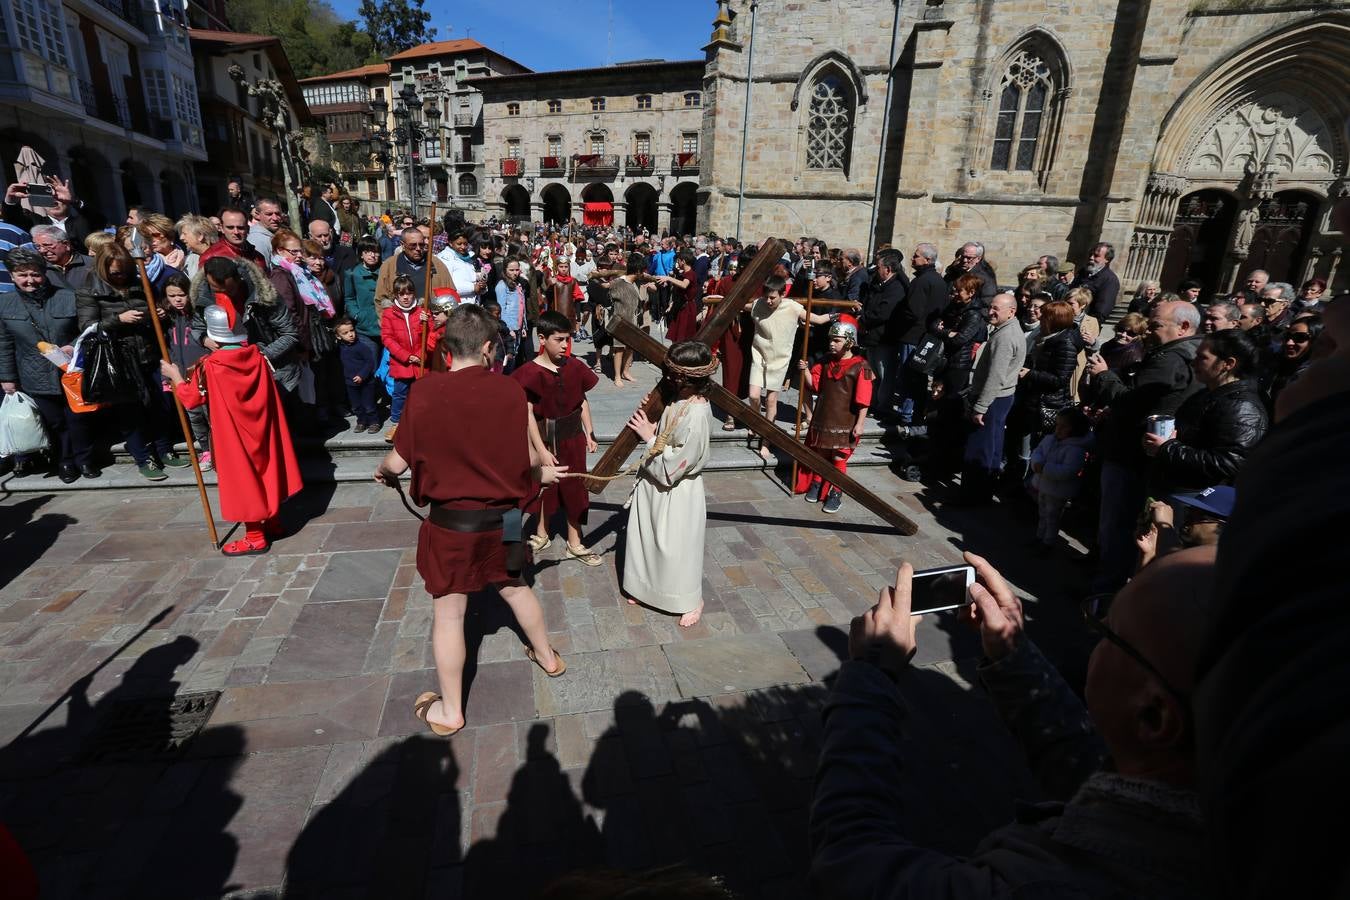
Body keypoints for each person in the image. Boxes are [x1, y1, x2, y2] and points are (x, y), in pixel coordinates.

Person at [811, 547, 1213, 898]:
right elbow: (1083, 765)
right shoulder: (1192, 811)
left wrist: (870, 673)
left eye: (1108, 629)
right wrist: (1011, 652)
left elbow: (849, 861)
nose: (1096, 636)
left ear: (1154, 715)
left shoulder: (1046, 886)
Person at [374, 303, 567, 736]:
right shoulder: (511, 391)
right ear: (486, 348)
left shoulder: (424, 392)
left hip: (453, 523)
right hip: (510, 519)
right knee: (517, 588)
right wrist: (542, 472)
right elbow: (530, 458)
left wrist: (384, 472)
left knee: (449, 613)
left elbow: (397, 462)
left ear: (446, 352)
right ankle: (549, 658)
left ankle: (451, 711)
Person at [161, 303, 302, 556]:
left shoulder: (210, 365)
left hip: (234, 434)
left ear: (214, 335)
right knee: (265, 472)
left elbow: (192, 399)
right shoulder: (258, 356)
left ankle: (255, 536)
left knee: (243, 481)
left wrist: (176, 377)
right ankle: (272, 521)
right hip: (261, 429)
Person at [1087, 300, 1203, 595]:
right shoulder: (1187, 353)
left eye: (1156, 325)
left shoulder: (1170, 360)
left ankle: (1104, 597)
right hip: (1142, 457)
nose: (1148, 331)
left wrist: (1104, 375)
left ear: (1184, 327)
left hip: (1131, 457)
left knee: (1117, 528)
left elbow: (1132, 403)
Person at [78, 242, 190, 481]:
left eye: (124, 271)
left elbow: (152, 308)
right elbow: (87, 327)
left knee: (161, 404)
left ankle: (164, 448)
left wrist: (158, 313)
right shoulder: (90, 289)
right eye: (115, 273)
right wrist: (118, 319)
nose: (120, 277)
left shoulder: (139, 282)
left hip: (148, 352)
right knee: (131, 411)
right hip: (120, 358)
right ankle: (143, 457)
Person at [622, 340, 715, 628]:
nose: (669, 379)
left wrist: (650, 436)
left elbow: (677, 465)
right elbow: (666, 427)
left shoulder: (698, 414)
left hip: (677, 490)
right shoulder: (677, 399)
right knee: (647, 538)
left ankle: (688, 599)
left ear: (687, 378)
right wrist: (650, 414)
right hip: (654, 484)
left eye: (674, 375)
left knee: (676, 548)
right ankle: (645, 588)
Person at [0, 248, 95, 481]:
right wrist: (7, 377)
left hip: (71, 371)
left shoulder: (67, 296)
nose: (30, 280)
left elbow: (87, 330)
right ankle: (65, 461)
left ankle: (85, 460)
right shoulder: (5, 304)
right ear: (12, 277)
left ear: (44, 274)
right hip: (34, 374)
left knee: (78, 418)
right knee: (54, 421)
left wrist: (72, 346)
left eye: (35, 274)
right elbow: (4, 343)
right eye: (22, 275)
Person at [514, 311, 600, 565]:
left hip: (573, 438)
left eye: (568, 339)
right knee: (543, 488)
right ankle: (542, 533)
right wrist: (540, 450)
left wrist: (590, 432)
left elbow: (582, 400)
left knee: (576, 489)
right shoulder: (529, 372)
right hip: (545, 438)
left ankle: (575, 542)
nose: (565, 345)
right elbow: (527, 413)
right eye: (559, 339)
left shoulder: (574, 366)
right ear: (542, 339)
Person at [190, 255, 301, 398]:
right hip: (233, 379)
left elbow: (290, 334)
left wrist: (261, 357)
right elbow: (197, 329)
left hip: (276, 374)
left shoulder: (263, 296)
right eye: (218, 291)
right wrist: (204, 339)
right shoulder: (204, 297)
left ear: (238, 279)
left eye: (229, 291)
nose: (224, 296)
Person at [792, 315, 872, 513]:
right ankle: (817, 483)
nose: (832, 343)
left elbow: (864, 400)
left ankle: (836, 491)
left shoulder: (863, 366)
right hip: (824, 417)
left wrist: (860, 424)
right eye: (831, 339)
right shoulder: (826, 362)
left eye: (837, 340)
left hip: (845, 420)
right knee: (821, 454)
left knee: (838, 458)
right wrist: (806, 371)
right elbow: (816, 386)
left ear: (850, 342)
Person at [748, 274, 833, 460]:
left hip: (779, 359)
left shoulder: (792, 307)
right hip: (759, 355)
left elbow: (816, 319)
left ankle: (766, 441)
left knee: (771, 400)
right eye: (766, 297)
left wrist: (839, 313)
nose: (769, 301)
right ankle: (755, 422)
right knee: (754, 396)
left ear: (782, 294)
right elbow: (743, 305)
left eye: (773, 297)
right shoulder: (758, 304)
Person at [960, 292, 1023, 504]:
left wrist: (980, 407)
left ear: (1011, 312)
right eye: (991, 307)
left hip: (993, 399)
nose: (991, 312)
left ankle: (972, 495)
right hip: (1001, 398)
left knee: (980, 449)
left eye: (997, 308)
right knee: (992, 446)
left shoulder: (1005, 337)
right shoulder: (1008, 330)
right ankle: (983, 492)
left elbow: (995, 377)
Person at [380, 274, 443, 443]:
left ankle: (423, 425)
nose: (406, 297)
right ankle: (397, 425)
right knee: (400, 394)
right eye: (401, 294)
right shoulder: (389, 314)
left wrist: (427, 323)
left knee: (422, 394)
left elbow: (431, 336)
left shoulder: (422, 312)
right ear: (396, 295)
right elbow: (387, 338)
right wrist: (407, 357)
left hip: (421, 361)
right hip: (402, 363)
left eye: (409, 293)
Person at [160, 272, 211, 470]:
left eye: (181, 294)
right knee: (194, 416)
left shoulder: (198, 315)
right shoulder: (167, 318)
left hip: (201, 374)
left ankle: (217, 448)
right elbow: (166, 348)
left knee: (209, 415)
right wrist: (168, 377)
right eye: (172, 296)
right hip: (181, 376)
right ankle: (206, 449)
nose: (177, 300)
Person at [1029, 407, 1094, 554]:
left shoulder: (1075, 449)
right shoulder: (1050, 440)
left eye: (1063, 427)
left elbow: (1068, 471)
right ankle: (1039, 536)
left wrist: (1045, 467)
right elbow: (1037, 451)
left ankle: (1048, 542)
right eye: (1057, 425)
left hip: (1058, 490)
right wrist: (1036, 463)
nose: (1058, 429)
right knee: (1042, 513)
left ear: (1075, 429)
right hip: (1044, 485)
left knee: (1052, 516)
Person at [857, 249, 908, 424]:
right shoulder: (879, 284)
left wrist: (863, 318)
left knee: (884, 374)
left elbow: (883, 313)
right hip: (873, 337)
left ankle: (882, 406)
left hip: (884, 338)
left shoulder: (896, 288)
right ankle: (873, 402)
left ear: (887, 269)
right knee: (873, 373)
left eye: (878, 267)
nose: (876, 269)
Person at [2, 175, 91, 246]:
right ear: (42, 204)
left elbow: (96, 218)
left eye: (58, 198)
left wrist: (73, 201)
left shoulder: (82, 221)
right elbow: (12, 219)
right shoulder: (35, 222)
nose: (54, 202)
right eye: (49, 198)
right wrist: (11, 201)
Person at [376, 227, 454, 305]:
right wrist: (390, 316)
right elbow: (381, 299)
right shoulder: (389, 266)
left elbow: (451, 294)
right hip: (400, 316)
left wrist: (444, 314)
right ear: (402, 245)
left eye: (421, 245)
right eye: (412, 245)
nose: (418, 248)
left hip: (432, 315)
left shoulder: (436, 264)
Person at [1262, 313, 1320, 411]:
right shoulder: (1272, 362)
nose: (1289, 342)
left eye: (1300, 337)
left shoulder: (1317, 378)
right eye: (1287, 336)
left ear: (1317, 340)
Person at [606, 252, 645, 388]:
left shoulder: (635, 283)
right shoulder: (618, 282)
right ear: (638, 270)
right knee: (619, 349)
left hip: (633, 321)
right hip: (620, 321)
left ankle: (626, 372)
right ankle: (617, 375)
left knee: (630, 348)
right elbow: (607, 293)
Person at [335, 317, 379, 433]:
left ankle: (374, 422)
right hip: (350, 383)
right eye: (345, 333)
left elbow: (369, 362)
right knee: (356, 405)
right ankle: (361, 422)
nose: (350, 334)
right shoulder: (341, 348)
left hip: (366, 383)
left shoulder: (361, 347)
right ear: (339, 337)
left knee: (369, 404)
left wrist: (362, 375)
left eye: (352, 330)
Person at [342, 235, 384, 350]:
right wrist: (357, 315)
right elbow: (349, 298)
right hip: (365, 326)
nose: (372, 255)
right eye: (367, 252)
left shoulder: (385, 271)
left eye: (375, 252)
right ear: (361, 254)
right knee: (371, 361)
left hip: (386, 324)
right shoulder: (353, 274)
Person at [31, 224, 94, 293]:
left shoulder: (92, 264)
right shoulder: (38, 268)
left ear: (66, 244)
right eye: (38, 247)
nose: (42, 250)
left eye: (47, 245)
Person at [493, 257, 530, 374]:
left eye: (517, 270)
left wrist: (523, 326)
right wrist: (508, 329)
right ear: (505, 270)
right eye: (511, 270)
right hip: (509, 328)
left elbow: (522, 307)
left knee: (515, 355)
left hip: (518, 327)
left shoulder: (518, 284)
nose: (515, 273)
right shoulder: (502, 286)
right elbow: (501, 309)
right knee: (509, 358)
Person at [199, 207, 267, 270]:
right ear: (221, 229)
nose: (236, 232)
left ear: (248, 229)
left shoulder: (258, 257)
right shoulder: (211, 257)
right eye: (230, 227)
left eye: (241, 228)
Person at [658, 250, 701, 343]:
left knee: (684, 337)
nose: (677, 263)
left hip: (687, 308)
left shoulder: (690, 274)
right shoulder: (683, 274)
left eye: (678, 261)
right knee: (676, 336)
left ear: (683, 261)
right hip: (679, 306)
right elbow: (679, 292)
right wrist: (672, 304)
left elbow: (684, 285)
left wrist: (669, 278)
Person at [1074, 242, 1121, 323]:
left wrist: (1089, 325)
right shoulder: (1082, 272)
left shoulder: (1110, 280)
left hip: (1084, 324)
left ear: (1107, 259)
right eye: (1090, 254)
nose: (1091, 258)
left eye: (1096, 256)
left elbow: (1102, 310)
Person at [175, 214, 219, 279]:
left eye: (184, 234)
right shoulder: (188, 259)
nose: (181, 238)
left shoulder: (220, 259)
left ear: (200, 236)